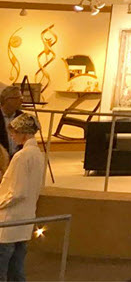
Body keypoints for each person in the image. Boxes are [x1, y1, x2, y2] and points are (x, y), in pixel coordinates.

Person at [0, 115, 43, 282]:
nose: (12, 136)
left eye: (14, 132)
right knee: (16, 269)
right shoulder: (37, 154)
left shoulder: (22, 156)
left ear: (23, 133)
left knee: (3, 269)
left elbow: (16, 192)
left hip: (10, 221)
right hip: (25, 219)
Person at [0, 88, 23, 159]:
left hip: (18, 158)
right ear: (7, 100)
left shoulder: (22, 117)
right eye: (17, 98)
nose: (21, 101)